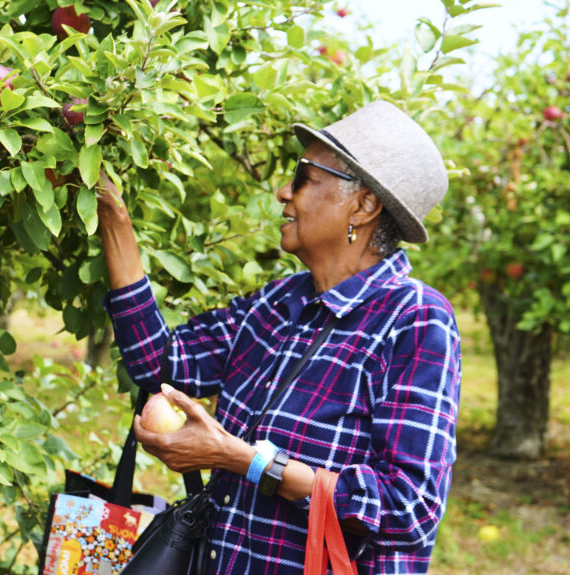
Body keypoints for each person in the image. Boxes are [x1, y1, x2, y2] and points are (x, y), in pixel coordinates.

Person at [97, 100, 461, 574]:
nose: (282, 192)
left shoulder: (413, 320)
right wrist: (113, 218)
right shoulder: (278, 304)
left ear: (364, 204)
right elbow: (159, 362)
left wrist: (246, 461)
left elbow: (408, 509)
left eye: (304, 176)